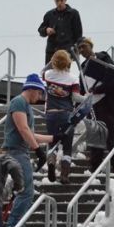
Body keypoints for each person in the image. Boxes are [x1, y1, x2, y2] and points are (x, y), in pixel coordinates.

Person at [2, 74, 53, 227]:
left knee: (25, 191)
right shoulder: (19, 102)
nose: (40, 98)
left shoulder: (25, 107)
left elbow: (30, 133)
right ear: (32, 89)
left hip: (21, 151)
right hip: (16, 151)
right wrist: (38, 151)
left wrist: (52, 138)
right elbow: (23, 129)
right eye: (39, 93)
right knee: (26, 192)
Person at [76, 37, 114, 172]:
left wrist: (98, 89)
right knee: (94, 135)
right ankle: (95, 165)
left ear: (90, 45)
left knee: (110, 134)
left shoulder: (104, 57)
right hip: (92, 104)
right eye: (79, 48)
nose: (82, 50)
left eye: (84, 46)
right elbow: (83, 86)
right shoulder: (82, 67)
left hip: (106, 102)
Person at [42, 50, 84, 183]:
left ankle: (51, 162)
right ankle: (64, 175)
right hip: (66, 114)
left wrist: (52, 61)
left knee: (52, 142)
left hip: (50, 113)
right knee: (67, 146)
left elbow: (41, 72)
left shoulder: (48, 74)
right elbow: (76, 97)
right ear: (68, 62)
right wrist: (87, 98)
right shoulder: (73, 78)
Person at [37, 0, 83, 65]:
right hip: (52, 51)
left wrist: (76, 50)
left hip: (67, 51)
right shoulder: (49, 15)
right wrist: (46, 30)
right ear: (54, 1)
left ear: (65, 0)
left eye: (61, 0)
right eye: (57, 1)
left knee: (64, 74)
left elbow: (78, 33)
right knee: (49, 74)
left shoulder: (73, 14)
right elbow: (40, 30)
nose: (59, 3)